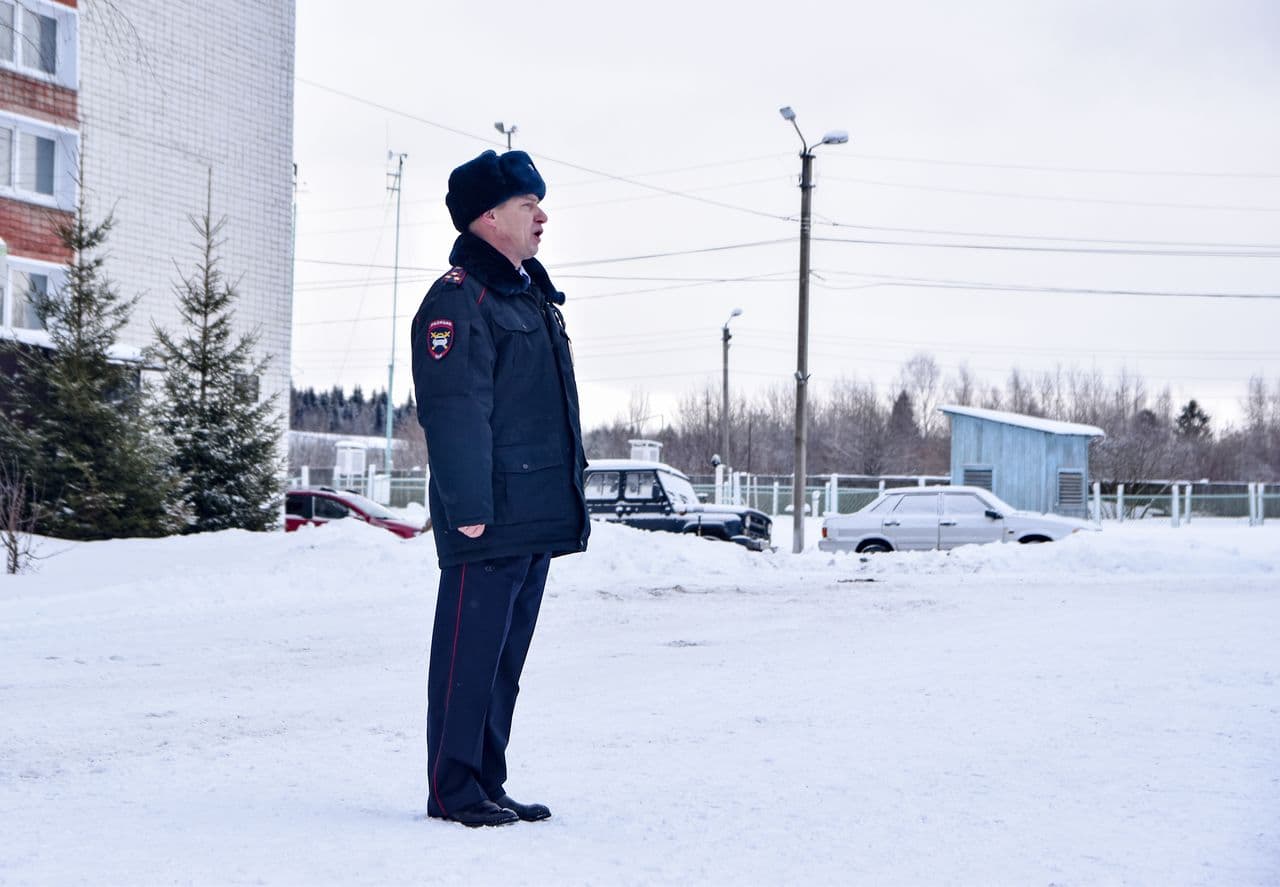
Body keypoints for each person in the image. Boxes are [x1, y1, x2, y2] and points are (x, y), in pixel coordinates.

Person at [410, 149, 590, 828]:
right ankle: (453, 786)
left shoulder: (528, 295)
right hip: (488, 518)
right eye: (527, 205)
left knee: (502, 663)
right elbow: (455, 409)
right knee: (468, 658)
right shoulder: (460, 299)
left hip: (533, 513)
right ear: (489, 216)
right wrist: (472, 511)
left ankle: (486, 779)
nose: (541, 216)